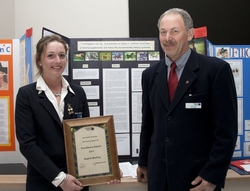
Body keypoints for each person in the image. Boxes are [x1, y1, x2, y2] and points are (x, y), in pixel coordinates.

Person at [136, 8, 237, 191]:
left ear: (190, 34)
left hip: (197, 180)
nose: (168, 38)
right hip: (159, 178)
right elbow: (148, 124)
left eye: (175, 31)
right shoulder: (150, 75)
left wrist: (213, 175)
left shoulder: (215, 71)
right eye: (163, 32)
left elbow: (226, 131)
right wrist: (143, 162)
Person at [15, 35, 121, 191]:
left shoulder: (78, 93)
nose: (57, 61)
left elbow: (88, 136)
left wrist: (107, 168)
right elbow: (27, 144)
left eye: (62, 55)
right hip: (44, 182)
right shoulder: (26, 95)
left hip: (78, 182)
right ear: (39, 60)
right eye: (51, 56)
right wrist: (61, 179)